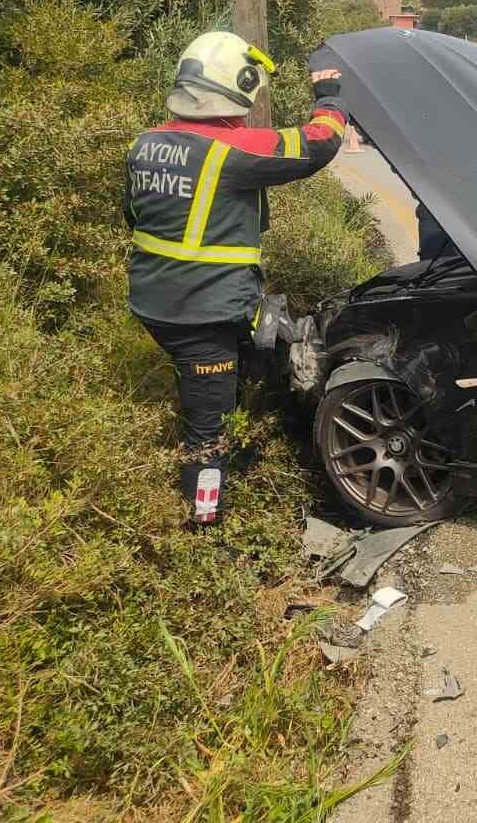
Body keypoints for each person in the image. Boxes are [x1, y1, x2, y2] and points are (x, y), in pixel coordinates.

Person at [123, 31, 347, 527]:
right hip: (202, 312)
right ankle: (204, 525)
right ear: (238, 86)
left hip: (155, 301)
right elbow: (319, 143)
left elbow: (132, 217)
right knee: (208, 430)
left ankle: (239, 454)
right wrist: (329, 97)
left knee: (247, 366)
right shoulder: (231, 149)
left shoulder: (146, 144)